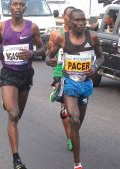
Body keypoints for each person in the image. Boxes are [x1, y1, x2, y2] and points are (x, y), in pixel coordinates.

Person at [47, 9, 103, 169]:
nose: (80, 23)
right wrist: (48, 60)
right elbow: (49, 56)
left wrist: (95, 67)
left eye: (83, 20)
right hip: (69, 82)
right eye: (77, 20)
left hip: (85, 84)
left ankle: (69, 120)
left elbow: (101, 57)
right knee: (75, 119)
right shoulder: (61, 38)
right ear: (70, 22)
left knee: (77, 126)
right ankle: (77, 163)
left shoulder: (92, 37)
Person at [0, 0, 45, 168]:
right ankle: (16, 159)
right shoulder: (2, 27)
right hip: (8, 73)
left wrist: (32, 53)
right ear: (9, 7)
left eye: (21, 4)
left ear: (25, 7)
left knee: (16, 117)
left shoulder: (32, 27)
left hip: (25, 75)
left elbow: (42, 49)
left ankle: (8, 103)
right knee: (13, 113)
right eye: (14, 4)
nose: (18, 7)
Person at [46, 6, 76, 151]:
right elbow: (49, 54)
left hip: (76, 72)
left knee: (75, 110)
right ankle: (70, 138)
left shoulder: (80, 34)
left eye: (73, 15)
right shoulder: (57, 33)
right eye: (68, 15)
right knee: (65, 107)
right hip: (60, 71)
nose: (70, 18)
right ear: (63, 16)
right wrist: (48, 54)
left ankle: (56, 91)